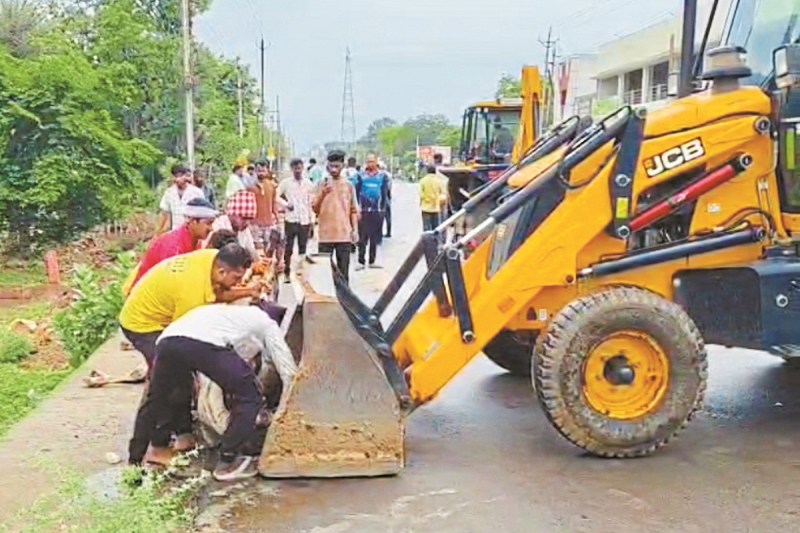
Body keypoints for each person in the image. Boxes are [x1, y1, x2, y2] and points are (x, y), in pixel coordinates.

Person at [119, 244, 261, 466]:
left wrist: (248, 291)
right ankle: (157, 447)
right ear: (222, 272)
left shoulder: (212, 260)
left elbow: (218, 294)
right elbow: (187, 339)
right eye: (237, 277)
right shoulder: (191, 292)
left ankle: (184, 435)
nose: (238, 282)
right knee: (168, 385)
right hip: (143, 325)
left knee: (183, 379)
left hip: (165, 319)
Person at [136, 303, 297, 481]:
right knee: (250, 398)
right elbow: (287, 369)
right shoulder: (266, 323)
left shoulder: (227, 313)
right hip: (202, 344)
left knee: (157, 399)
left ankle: (135, 461)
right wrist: (290, 409)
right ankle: (228, 462)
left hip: (167, 342)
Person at [123, 198, 218, 297]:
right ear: (193, 221)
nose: (211, 228)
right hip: (147, 298)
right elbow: (169, 287)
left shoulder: (196, 242)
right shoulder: (173, 248)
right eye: (208, 223)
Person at [313, 150, 359, 283]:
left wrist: (355, 230)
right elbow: (315, 209)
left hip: (344, 235)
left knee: (343, 273)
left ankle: (345, 302)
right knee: (324, 274)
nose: (334, 169)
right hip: (325, 236)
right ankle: (328, 301)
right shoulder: (321, 184)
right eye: (331, 166)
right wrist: (323, 194)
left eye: (337, 166)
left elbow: (353, 210)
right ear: (327, 167)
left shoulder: (349, 185)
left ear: (342, 166)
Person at [278, 158, 315, 281]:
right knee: (288, 247)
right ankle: (287, 272)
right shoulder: (286, 183)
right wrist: (285, 204)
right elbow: (275, 195)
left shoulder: (308, 184)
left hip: (304, 220)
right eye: (295, 168)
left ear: (302, 168)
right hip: (291, 219)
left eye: (299, 168)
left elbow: (311, 203)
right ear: (292, 169)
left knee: (302, 247)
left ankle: (300, 272)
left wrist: (312, 220)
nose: (297, 170)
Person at [354, 154, 389, 270]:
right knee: (362, 237)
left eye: (372, 162)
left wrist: (383, 210)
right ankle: (361, 261)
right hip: (363, 211)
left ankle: (372, 260)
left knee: (374, 236)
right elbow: (356, 193)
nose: (370, 164)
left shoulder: (382, 176)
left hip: (376, 210)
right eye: (368, 162)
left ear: (376, 163)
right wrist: (356, 209)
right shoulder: (360, 176)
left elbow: (384, 194)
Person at [157, 164, 204, 234]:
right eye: (176, 176)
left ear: (185, 176)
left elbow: (203, 213)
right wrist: (158, 231)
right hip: (175, 232)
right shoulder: (169, 193)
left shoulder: (196, 192)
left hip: (192, 232)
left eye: (181, 176)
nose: (178, 179)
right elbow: (164, 213)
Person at [251, 163, 278, 253]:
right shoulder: (250, 186)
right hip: (254, 222)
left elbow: (274, 202)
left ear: (267, 172)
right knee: (256, 246)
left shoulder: (272, 186)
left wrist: (277, 216)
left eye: (263, 171)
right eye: (259, 171)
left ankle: (266, 265)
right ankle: (258, 265)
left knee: (268, 245)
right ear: (255, 172)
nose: (261, 173)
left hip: (268, 222)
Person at [419, 164, 447, 232]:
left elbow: (421, 194)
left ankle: (427, 241)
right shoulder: (438, 181)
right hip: (436, 208)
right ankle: (435, 241)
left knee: (426, 228)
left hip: (425, 208)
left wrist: (424, 201)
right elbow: (443, 194)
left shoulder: (423, 181)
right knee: (436, 228)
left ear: (427, 171)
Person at [379, 161, 393, 239]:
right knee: (388, 216)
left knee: (380, 216)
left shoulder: (379, 176)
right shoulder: (388, 175)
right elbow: (389, 187)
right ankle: (388, 232)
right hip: (387, 197)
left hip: (381, 197)